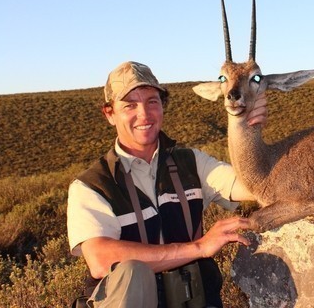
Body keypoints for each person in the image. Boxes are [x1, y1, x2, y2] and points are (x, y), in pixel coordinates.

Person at [67, 61, 265, 308]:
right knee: (132, 273)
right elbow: (100, 258)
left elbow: (254, 185)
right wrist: (198, 248)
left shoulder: (191, 162)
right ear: (110, 114)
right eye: (130, 105)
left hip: (190, 299)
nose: (144, 114)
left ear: (162, 106)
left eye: (152, 101)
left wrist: (245, 125)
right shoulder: (91, 186)